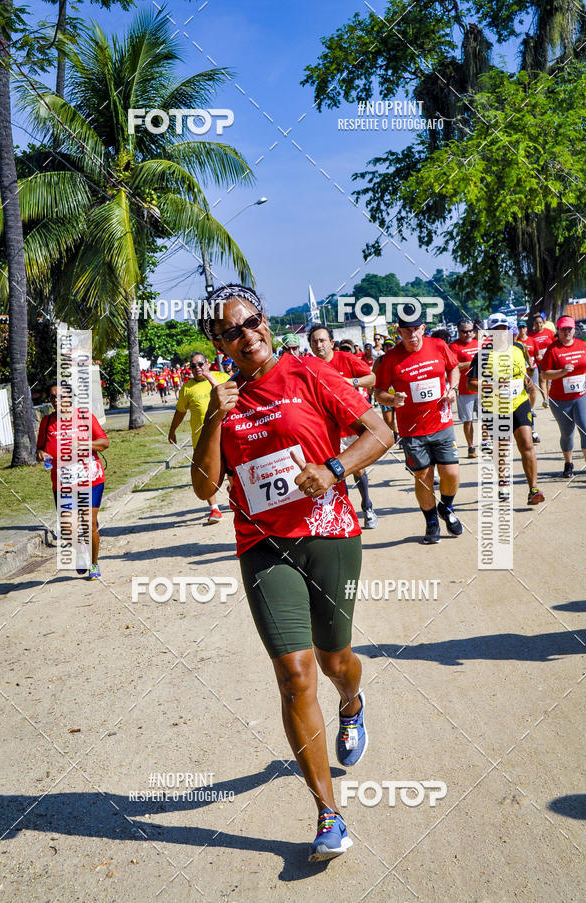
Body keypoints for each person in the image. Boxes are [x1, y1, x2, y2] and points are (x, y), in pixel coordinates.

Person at [192, 284, 393, 861]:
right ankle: (328, 815)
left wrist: (333, 469)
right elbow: (205, 488)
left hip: (329, 535)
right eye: (231, 331)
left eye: (252, 321)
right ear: (219, 343)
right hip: (262, 546)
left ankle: (351, 703)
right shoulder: (223, 400)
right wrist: (214, 418)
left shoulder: (308, 373)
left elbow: (381, 431)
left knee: (335, 660)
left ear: (265, 321)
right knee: (295, 676)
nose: (247, 335)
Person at [375, 308, 462, 544]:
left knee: (451, 473)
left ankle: (447, 508)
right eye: (406, 331)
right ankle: (431, 522)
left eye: (416, 329)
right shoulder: (390, 358)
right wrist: (393, 399)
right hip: (412, 431)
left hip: (441, 423)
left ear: (423, 328)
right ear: (399, 331)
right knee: (423, 477)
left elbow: (453, 368)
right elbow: (379, 392)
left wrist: (453, 389)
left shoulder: (438, 346)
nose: (412, 335)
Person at [467, 312, 545, 505]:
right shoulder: (483, 355)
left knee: (527, 444)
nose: (501, 333)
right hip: (495, 406)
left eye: (504, 329)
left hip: (519, 402)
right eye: (497, 330)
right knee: (502, 447)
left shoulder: (519, 347)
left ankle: (533, 489)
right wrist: (493, 385)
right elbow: (471, 384)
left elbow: (524, 369)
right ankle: (503, 482)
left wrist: (527, 379)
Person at [308, 325, 379, 529]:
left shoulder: (346, 359)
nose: (318, 345)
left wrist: (352, 381)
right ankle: (345, 513)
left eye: (322, 340)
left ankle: (367, 506)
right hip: (325, 432)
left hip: (350, 427)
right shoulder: (308, 366)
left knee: (357, 469)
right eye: (314, 341)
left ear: (331, 343)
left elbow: (372, 378)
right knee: (335, 473)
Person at [36, 383, 109, 579]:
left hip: (90, 479)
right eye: (52, 397)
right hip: (63, 482)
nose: (56, 400)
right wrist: (41, 454)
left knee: (89, 523)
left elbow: (104, 443)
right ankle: (81, 551)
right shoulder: (47, 422)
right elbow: (40, 449)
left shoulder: (85, 417)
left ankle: (94, 564)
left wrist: (85, 443)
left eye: (61, 396)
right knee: (68, 528)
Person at [168, 352, 230, 524]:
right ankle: (214, 509)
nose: (197, 368)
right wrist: (172, 430)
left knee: (231, 470)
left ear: (207, 363)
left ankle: (236, 498)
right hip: (202, 439)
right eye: (193, 366)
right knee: (206, 473)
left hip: (226, 434)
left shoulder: (222, 377)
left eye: (200, 364)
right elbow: (180, 412)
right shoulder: (187, 388)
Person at [541, 316, 586, 477]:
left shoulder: (582, 345)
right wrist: (561, 372)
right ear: (558, 331)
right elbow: (544, 374)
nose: (567, 332)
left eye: (569, 329)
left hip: (581, 395)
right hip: (560, 399)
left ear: (574, 330)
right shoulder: (553, 349)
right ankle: (568, 463)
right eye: (563, 329)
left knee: (585, 429)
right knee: (567, 433)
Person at [450, 317, 481, 457]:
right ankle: (471, 447)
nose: (468, 334)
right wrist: (471, 363)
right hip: (465, 389)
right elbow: (453, 366)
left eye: (470, 331)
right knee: (468, 420)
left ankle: (486, 442)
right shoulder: (454, 346)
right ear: (458, 331)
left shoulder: (478, 343)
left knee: (486, 417)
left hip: (481, 387)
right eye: (464, 331)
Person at [516, 320, 540, 442]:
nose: (522, 330)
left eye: (523, 327)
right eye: (519, 328)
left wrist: (531, 368)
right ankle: (531, 431)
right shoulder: (516, 343)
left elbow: (535, 356)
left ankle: (531, 409)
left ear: (526, 328)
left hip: (530, 371)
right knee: (524, 399)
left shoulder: (530, 341)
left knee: (533, 391)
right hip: (519, 374)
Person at [529, 312, 555, 406]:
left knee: (549, 380)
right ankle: (545, 399)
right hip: (539, 361)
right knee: (542, 379)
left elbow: (556, 343)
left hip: (550, 360)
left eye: (540, 322)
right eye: (537, 323)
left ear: (543, 322)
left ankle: (550, 397)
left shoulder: (549, 332)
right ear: (534, 324)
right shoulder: (531, 335)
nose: (539, 325)